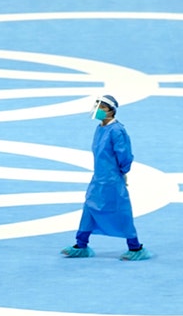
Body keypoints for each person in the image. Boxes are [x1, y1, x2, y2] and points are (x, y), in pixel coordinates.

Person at [61, 94, 150, 261]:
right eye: (97, 106)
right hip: (98, 178)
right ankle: (81, 245)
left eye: (102, 107)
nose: (97, 110)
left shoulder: (117, 131)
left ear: (111, 111)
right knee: (89, 208)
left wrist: (123, 173)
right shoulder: (100, 128)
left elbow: (124, 155)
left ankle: (135, 247)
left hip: (112, 180)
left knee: (121, 212)